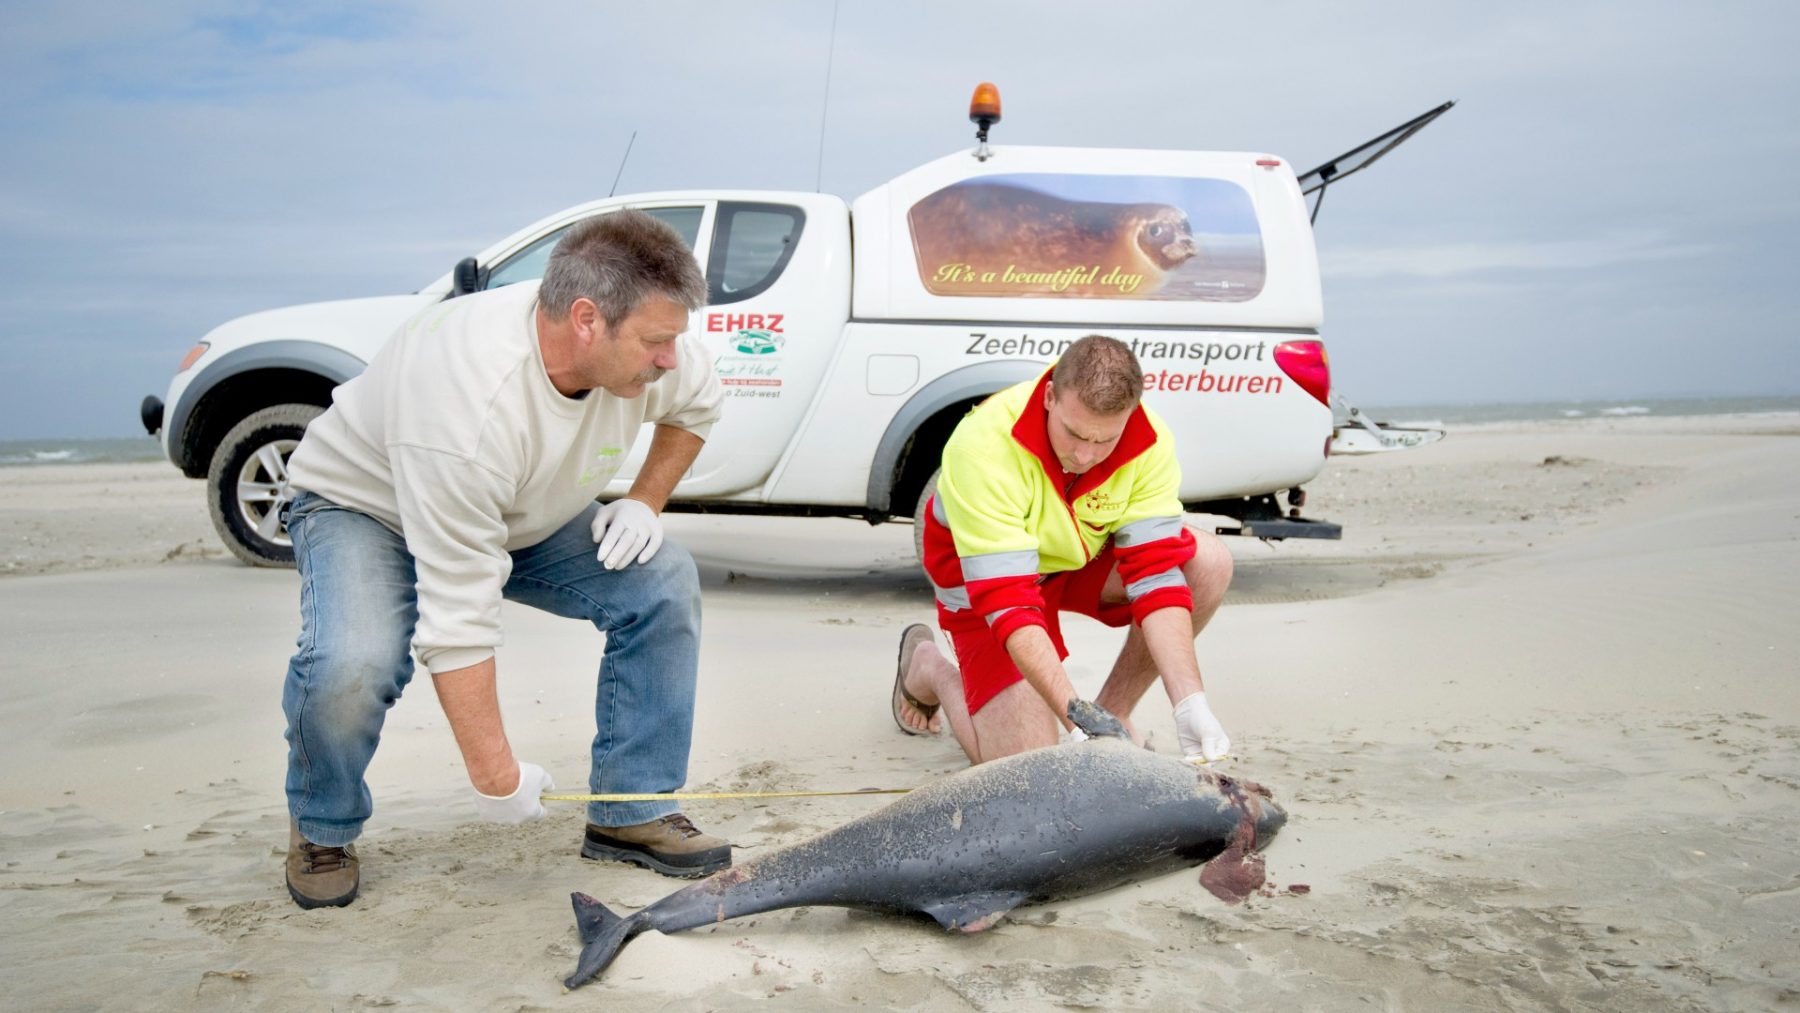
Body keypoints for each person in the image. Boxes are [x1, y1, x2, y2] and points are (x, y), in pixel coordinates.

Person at [277, 211, 730, 910]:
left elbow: (698, 405)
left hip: (517, 507)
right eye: (656, 342)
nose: (669, 358)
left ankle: (630, 808)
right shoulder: (467, 400)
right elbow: (458, 618)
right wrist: (497, 776)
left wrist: (645, 500)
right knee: (354, 662)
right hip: (366, 505)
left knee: (663, 581)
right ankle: (322, 825)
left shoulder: (652, 348)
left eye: (673, 340)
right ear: (586, 320)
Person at [890, 334, 1235, 765]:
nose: (1086, 454)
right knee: (1027, 765)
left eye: (1104, 440)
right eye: (1073, 433)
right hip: (984, 580)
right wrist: (1072, 716)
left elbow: (1156, 575)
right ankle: (929, 668)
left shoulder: (1149, 441)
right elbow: (1010, 603)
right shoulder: (981, 445)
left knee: (1207, 563)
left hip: (1072, 557)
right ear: (1050, 396)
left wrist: (1190, 702)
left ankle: (1111, 717)